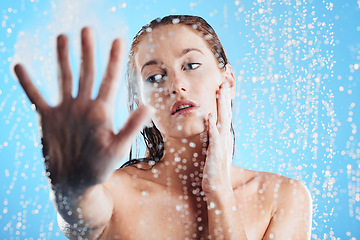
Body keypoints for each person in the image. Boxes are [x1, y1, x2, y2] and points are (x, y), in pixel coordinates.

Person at [14, 15, 312, 240]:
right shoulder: (118, 193)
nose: (175, 85)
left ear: (228, 80)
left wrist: (219, 190)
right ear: (140, 102)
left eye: (191, 65)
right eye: (155, 77)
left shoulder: (283, 197)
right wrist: (71, 187)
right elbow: (79, 218)